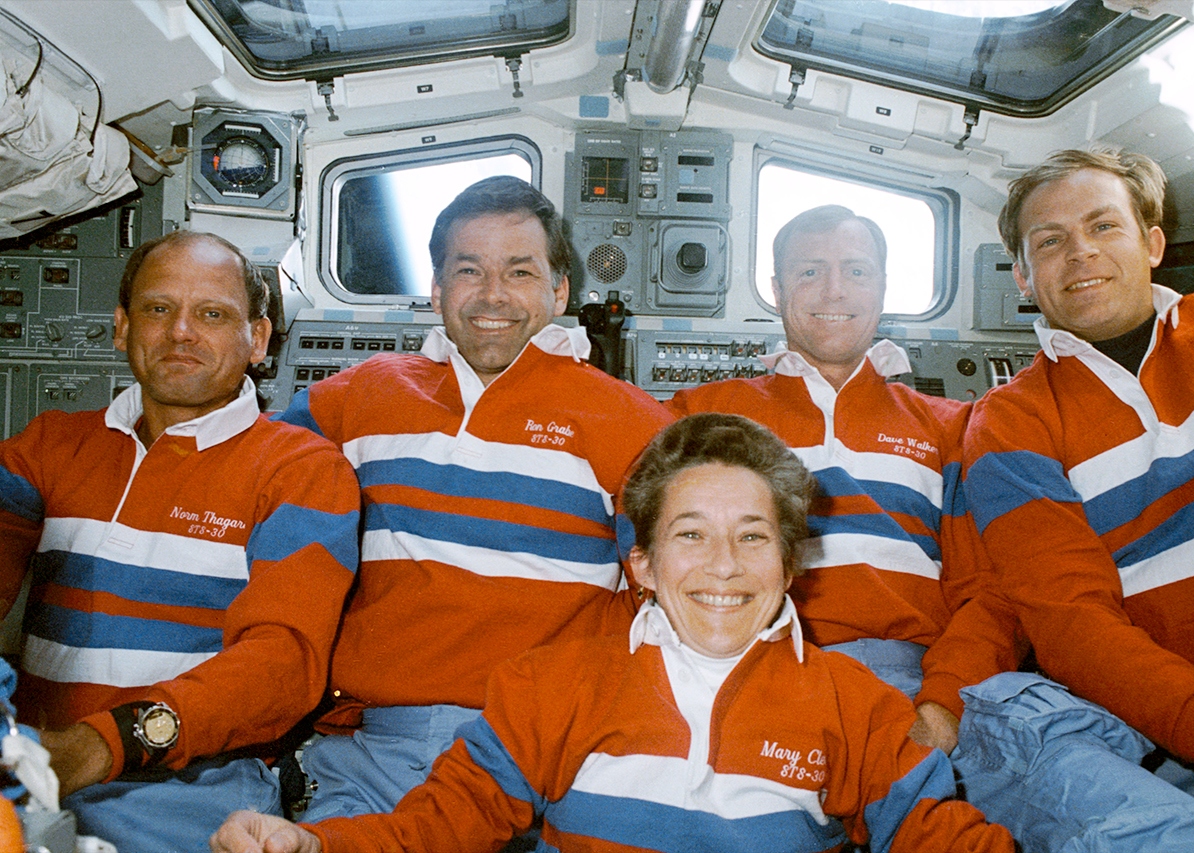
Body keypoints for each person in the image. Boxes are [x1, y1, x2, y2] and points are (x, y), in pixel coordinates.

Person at [211, 413, 1015, 853]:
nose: (724, 567)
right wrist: (311, 845)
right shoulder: (549, 684)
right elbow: (437, 826)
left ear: (792, 559)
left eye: (754, 536)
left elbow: (935, 832)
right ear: (642, 564)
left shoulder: (856, 703)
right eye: (691, 535)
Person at [273, 175, 674, 821]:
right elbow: (245, 481)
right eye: (469, 270)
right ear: (436, 288)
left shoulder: (629, 421)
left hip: (547, 751)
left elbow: (676, 587)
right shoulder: (356, 398)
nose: (493, 295)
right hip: (378, 751)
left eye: (520, 271)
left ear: (559, 290)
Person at [958, 146, 1194, 850]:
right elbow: (1075, 628)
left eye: (1104, 226)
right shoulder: (1010, 422)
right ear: (1022, 274)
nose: (1080, 253)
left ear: (1154, 242)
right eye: (1050, 241)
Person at [0, 231, 361, 852]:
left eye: (213, 314)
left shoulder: (300, 469)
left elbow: (282, 663)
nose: (181, 333)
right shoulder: (51, 445)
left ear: (257, 340)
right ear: (121, 328)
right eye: (158, 309)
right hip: (29, 768)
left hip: (189, 788)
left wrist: (102, 744)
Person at [668, 205, 1025, 754]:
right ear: (776, 288)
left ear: (883, 287)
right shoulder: (703, 413)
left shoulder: (949, 425)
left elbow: (989, 589)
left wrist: (942, 708)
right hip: (742, 669)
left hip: (912, 676)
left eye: (856, 271)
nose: (834, 291)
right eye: (810, 271)